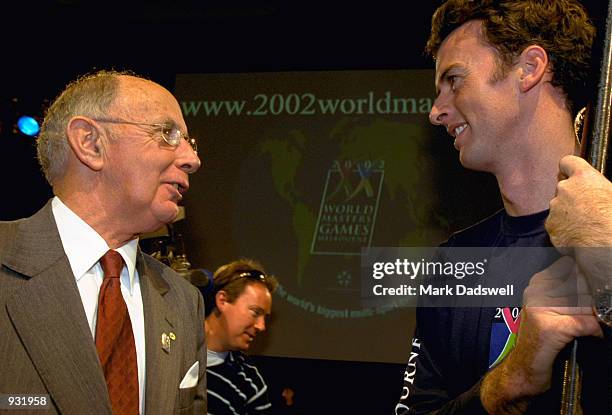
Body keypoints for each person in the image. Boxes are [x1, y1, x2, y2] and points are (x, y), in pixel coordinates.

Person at [395, 1, 606, 413]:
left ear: (529, 68)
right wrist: (510, 382)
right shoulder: (453, 262)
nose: (436, 112)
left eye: (453, 80)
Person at [0, 70, 206, 414]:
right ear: (91, 143)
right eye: (167, 134)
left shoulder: (185, 303)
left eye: (189, 142)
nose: (193, 160)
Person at [196, 259, 277, 415]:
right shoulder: (170, 353)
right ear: (222, 300)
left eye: (265, 317)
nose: (262, 326)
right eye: (255, 312)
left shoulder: (250, 383)